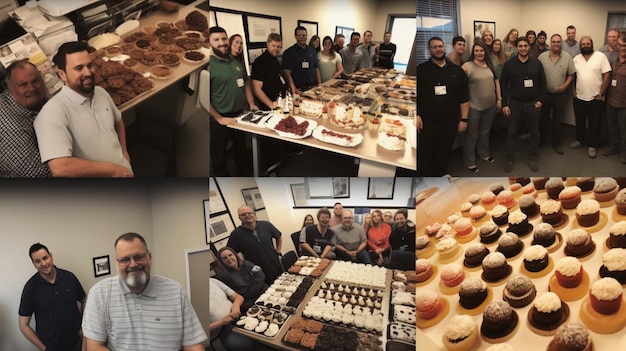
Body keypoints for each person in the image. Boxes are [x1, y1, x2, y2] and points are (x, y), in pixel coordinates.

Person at [82, 233, 207, 350]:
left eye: (139, 257)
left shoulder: (176, 291)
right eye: (125, 259)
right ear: (117, 263)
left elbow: (193, 345)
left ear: (150, 257)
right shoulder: (99, 294)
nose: (133, 264)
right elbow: (94, 346)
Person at [34, 41, 132, 177]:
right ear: (62, 74)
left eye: (89, 66)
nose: (87, 72)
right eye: (79, 68)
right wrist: (114, 169)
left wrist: (124, 154)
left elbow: (118, 121)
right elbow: (60, 167)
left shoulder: (101, 92)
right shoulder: (52, 113)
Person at [417, 37, 470, 176]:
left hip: (450, 121)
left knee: (444, 151)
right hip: (426, 122)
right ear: (429, 50)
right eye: (434, 47)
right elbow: (414, 95)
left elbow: (464, 97)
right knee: (425, 152)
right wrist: (415, 114)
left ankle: (441, 174)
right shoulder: (421, 70)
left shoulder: (457, 71)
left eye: (440, 46)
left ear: (445, 47)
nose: (438, 49)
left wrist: (464, 119)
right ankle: (425, 178)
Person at [19, 243, 86, 351]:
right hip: (51, 347)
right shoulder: (30, 288)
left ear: (51, 256)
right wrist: (44, 348)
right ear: (34, 264)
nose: (43, 263)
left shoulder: (69, 277)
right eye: (38, 261)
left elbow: (84, 300)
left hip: (78, 343)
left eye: (45, 258)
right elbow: (23, 325)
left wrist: (84, 326)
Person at [208, 26, 256, 176]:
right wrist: (219, 118)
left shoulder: (235, 62)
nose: (221, 43)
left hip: (239, 115)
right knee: (219, 156)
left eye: (223, 39)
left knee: (241, 150)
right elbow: (203, 97)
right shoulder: (209, 65)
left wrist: (251, 103)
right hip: (219, 118)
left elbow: (246, 83)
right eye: (216, 40)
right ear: (209, 42)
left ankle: (246, 176)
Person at [500, 36, 547, 172]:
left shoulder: (536, 63)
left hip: (533, 104)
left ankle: (533, 157)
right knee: (512, 132)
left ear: (529, 47)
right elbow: (503, 84)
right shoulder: (509, 64)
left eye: (525, 46)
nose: (523, 48)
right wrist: (504, 104)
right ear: (517, 48)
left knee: (534, 132)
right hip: (515, 103)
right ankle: (509, 158)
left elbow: (543, 83)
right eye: (520, 46)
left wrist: (541, 101)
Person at [1, 60, 52, 177]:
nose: (32, 88)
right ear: (10, 89)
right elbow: (37, 174)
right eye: (23, 85)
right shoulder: (8, 124)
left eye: (35, 81)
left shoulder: (39, 98)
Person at [461, 41, 502, 173]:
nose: (479, 53)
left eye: (482, 51)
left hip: (490, 106)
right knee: (472, 135)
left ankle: (484, 154)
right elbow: (459, 86)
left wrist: (499, 99)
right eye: (477, 51)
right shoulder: (467, 66)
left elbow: (496, 81)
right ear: (473, 52)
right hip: (474, 107)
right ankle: (470, 161)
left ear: (485, 52)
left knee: (485, 132)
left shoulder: (489, 65)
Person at [570, 35, 611, 158]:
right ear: (580, 46)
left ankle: (592, 146)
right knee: (580, 121)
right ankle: (580, 140)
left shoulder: (600, 57)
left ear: (591, 44)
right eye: (583, 44)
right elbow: (572, 75)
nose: (585, 46)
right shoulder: (576, 59)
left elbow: (607, 75)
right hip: (579, 97)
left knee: (594, 123)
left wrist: (601, 93)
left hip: (595, 98)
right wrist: (573, 91)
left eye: (588, 44)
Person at [537, 34, 575, 155]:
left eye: (558, 42)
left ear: (561, 43)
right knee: (543, 119)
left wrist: (565, 86)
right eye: (554, 42)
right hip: (545, 95)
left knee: (557, 121)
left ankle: (556, 143)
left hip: (560, 95)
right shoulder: (542, 57)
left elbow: (571, 74)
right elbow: (536, 74)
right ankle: (542, 140)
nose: (556, 44)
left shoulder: (567, 57)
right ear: (550, 43)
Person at [227, 205, 283, 285]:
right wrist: (241, 264)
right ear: (239, 218)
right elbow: (230, 252)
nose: (247, 215)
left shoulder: (266, 225)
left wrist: (278, 250)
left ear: (254, 214)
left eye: (249, 213)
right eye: (243, 214)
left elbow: (279, 236)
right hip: (257, 270)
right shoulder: (236, 234)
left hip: (274, 264)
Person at [210, 278, 268, 351]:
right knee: (246, 345)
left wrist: (235, 307)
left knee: (266, 334)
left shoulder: (212, 281)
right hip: (222, 330)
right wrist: (221, 322)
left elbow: (238, 297)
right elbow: (194, 332)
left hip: (238, 316)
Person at [215, 247, 268, 313]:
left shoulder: (246, 263)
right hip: (250, 304)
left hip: (265, 293)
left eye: (230, 255)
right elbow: (237, 293)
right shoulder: (223, 277)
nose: (229, 259)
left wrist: (252, 289)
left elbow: (259, 274)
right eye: (225, 258)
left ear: (235, 255)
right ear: (221, 262)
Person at [251, 33, 287, 110]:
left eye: (278, 47)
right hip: (268, 106)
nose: (276, 49)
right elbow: (256, 89)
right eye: (273, 46)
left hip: (279, 103)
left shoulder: (275, 60)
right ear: (267, 44)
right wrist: (270, 104)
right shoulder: (260, 62)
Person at [606, 31, 626, 163]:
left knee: (624, 130)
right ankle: (614, 148)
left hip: (624, 104)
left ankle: (624, 153)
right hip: (611, 101)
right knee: (612, 127)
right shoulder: (614, 61)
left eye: (625, 45)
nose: (623, 48)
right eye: (620, 45)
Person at [282, 26, 320, 95]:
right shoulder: (289, 53)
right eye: (300, 35)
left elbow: (316, 69)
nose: (302, 37)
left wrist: (320, 85)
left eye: (304, 35)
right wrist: (294, 90)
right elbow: (287, 74)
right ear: (295, 36)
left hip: (313, 88)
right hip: (299, 89)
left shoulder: (312, 51)